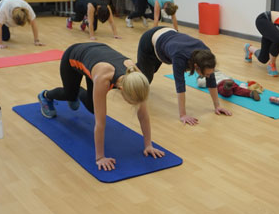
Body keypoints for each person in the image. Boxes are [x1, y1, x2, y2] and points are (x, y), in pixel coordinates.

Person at [37, 42, 164, 171]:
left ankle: (76, 93)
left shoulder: (136, 78)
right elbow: (100, 123)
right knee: (69, 94)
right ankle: (46, 96)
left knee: (92, 108)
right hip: (73, 56)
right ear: (121, 89)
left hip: (96, 58)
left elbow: (143, 114)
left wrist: (148, 145)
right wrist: (100, 157)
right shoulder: (103, 79)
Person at [136, 26, 232, 125]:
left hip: (166, 38)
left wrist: (217, 106)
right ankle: (126, 70)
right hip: (149, 41)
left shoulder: (206, 55)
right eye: (206, 74)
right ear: (196, 66)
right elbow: (180, 85)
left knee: (151, 70)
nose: (208, 76)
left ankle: (135, 68)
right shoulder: (179, 57)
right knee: (145, 80)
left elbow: (211, 81)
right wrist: (183, 115)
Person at [197, 70, 261, 101]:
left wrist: (199, 78)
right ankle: (250, 93)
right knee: (239, 90)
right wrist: (230, 80)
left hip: (220, 83)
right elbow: (229, 77)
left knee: (225, 92)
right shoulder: (220, 72)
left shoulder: (208, 77)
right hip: (229, 80)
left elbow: (200, 83)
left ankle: (227, 88)